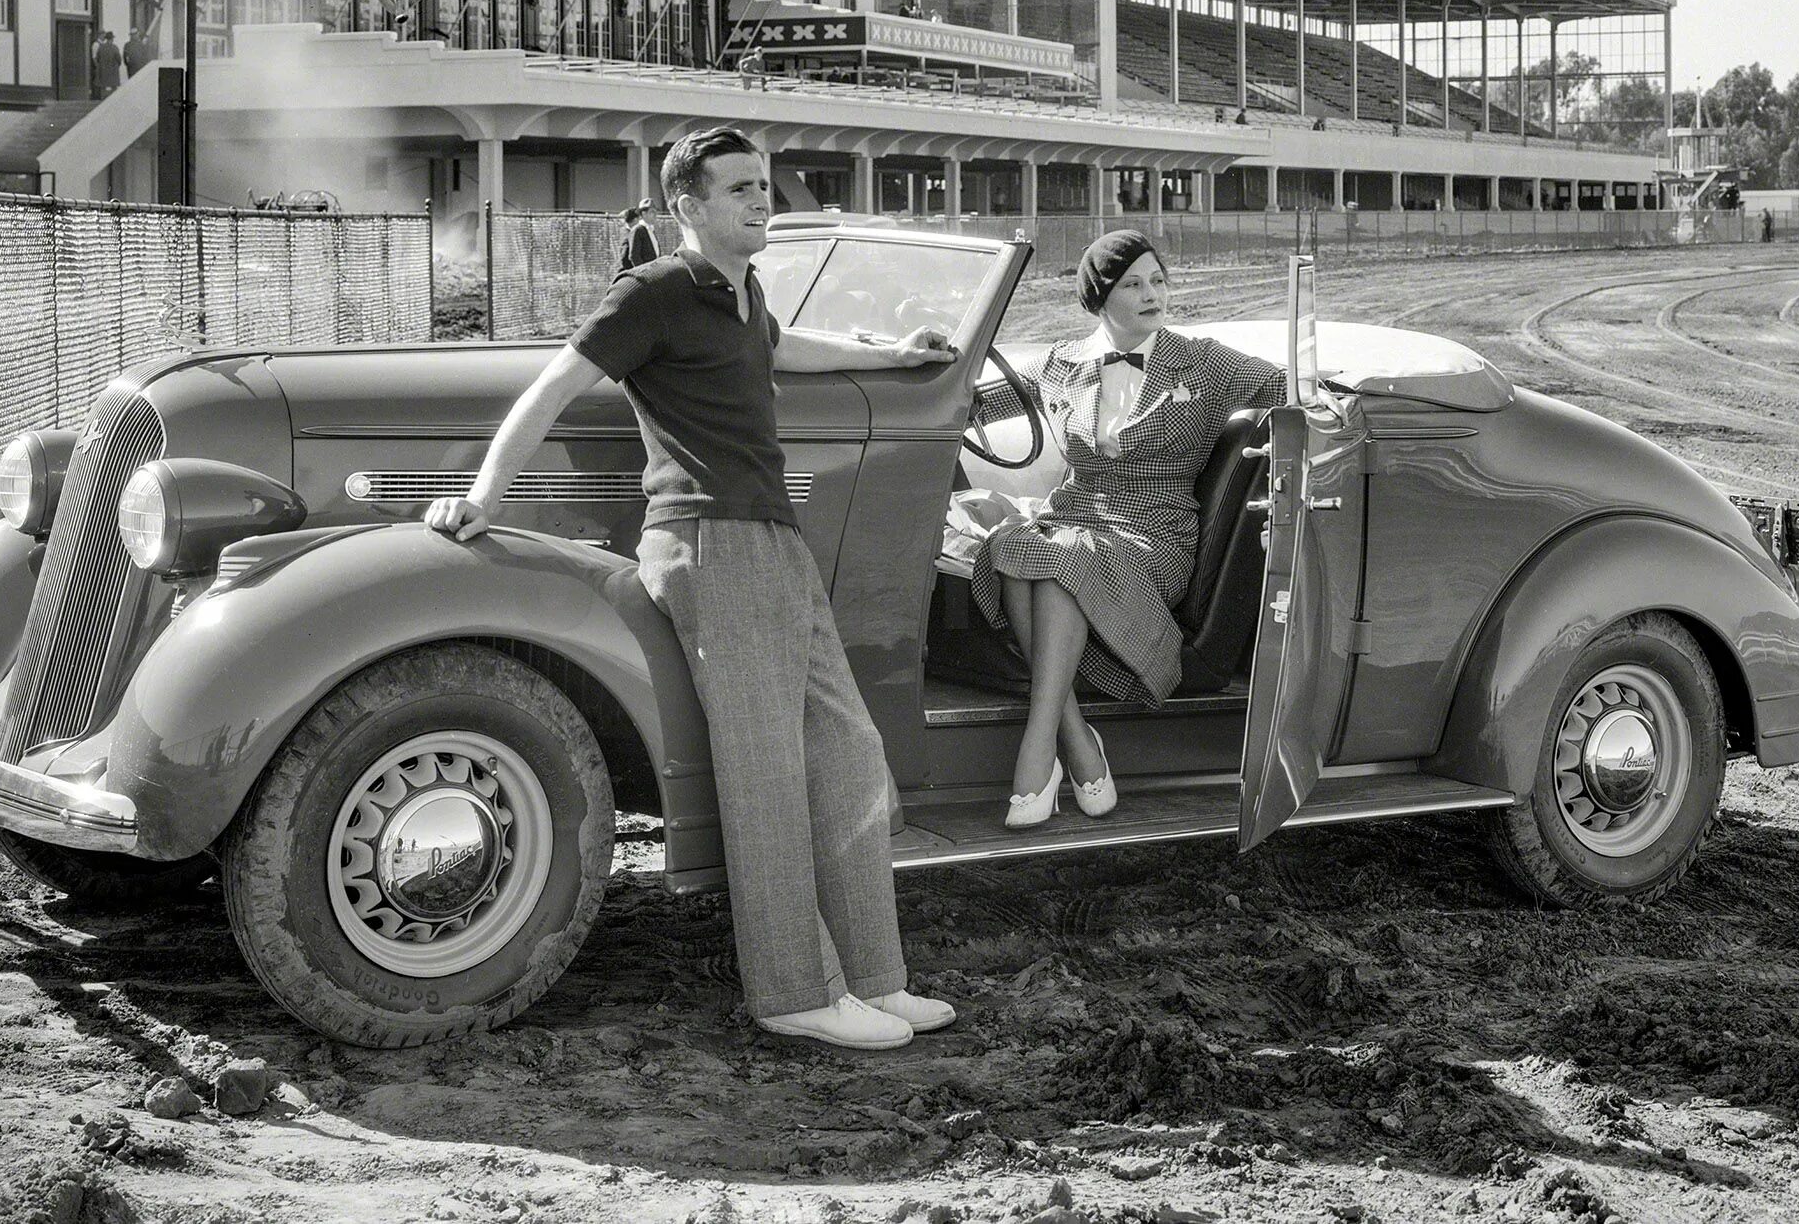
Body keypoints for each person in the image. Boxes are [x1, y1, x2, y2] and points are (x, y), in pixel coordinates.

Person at [424, 126, 958, 1051]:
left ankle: (877, 977)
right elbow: (555, 382)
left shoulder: (744, 292)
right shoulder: (656, 289)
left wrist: (895, 352)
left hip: (771, 543)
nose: (763, 201)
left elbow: (783, 352)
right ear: (688, 206)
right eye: (742, 189)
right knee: (766, 774)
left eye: (765, 186)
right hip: (709, 540)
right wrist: (481, 496)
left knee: (848, 754)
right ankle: (793, 992)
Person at [971, 230, 1284, 829]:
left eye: (1158, 280)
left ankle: (1040, 752)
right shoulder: (1061, 362)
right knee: (1010, 546)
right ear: (1099, 298)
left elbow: (1293, 386)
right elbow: (972, 403)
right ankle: (1076, 738)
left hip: (1156, 534)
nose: (1152, 294)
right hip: (1075, 520)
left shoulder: (1205, 362)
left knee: (1060, 561)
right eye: (1133, 284)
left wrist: (1360, 395)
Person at [612, 203, 659, 278]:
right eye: (652, 212)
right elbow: (630, 256)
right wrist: (642, 273)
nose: (655, 215)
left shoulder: (650, 230)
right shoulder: (634, 231)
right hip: (635, 274)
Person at [89, 29, 122, 100]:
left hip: (103, 71)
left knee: (104, 88)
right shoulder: (114, 47)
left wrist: (100, 67)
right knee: (114, 88)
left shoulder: (101, 47)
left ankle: (103, 101)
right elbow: (119, 59)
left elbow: (97, 58)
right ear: (112, 39)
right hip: (113, 71)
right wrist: (116, 66)